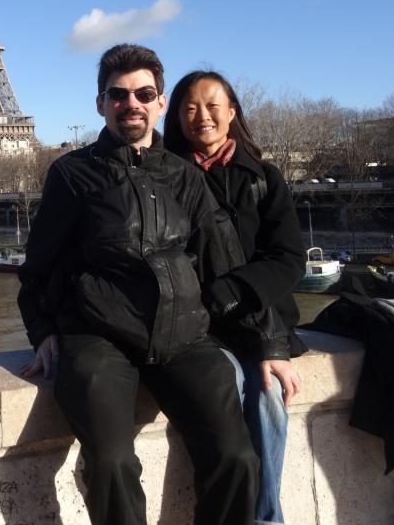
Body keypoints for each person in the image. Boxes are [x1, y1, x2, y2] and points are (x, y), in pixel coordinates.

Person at [17, 44, 258, 525]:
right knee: (111, 464)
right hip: (100, 337)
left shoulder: (185, 176)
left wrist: (267, 343)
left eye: (143, 93)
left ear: (160, 103)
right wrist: (43, 330)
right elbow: (38, 265)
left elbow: (224, 266)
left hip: (184, 337)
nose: (132, 104)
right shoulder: (71, 174)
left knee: (238, 458)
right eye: (119, 94)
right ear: (101, 104)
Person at [164, 70, 307, 525]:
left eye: (211, 105)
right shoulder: (162, 178)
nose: (201, 115)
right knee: (229, 389)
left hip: (256, 316)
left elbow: (286, 258)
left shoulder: (263, 177)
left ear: (231, 113)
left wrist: (269, 341)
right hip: (199, 326)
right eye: (189, 107)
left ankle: (266, 519)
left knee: (267, 397)